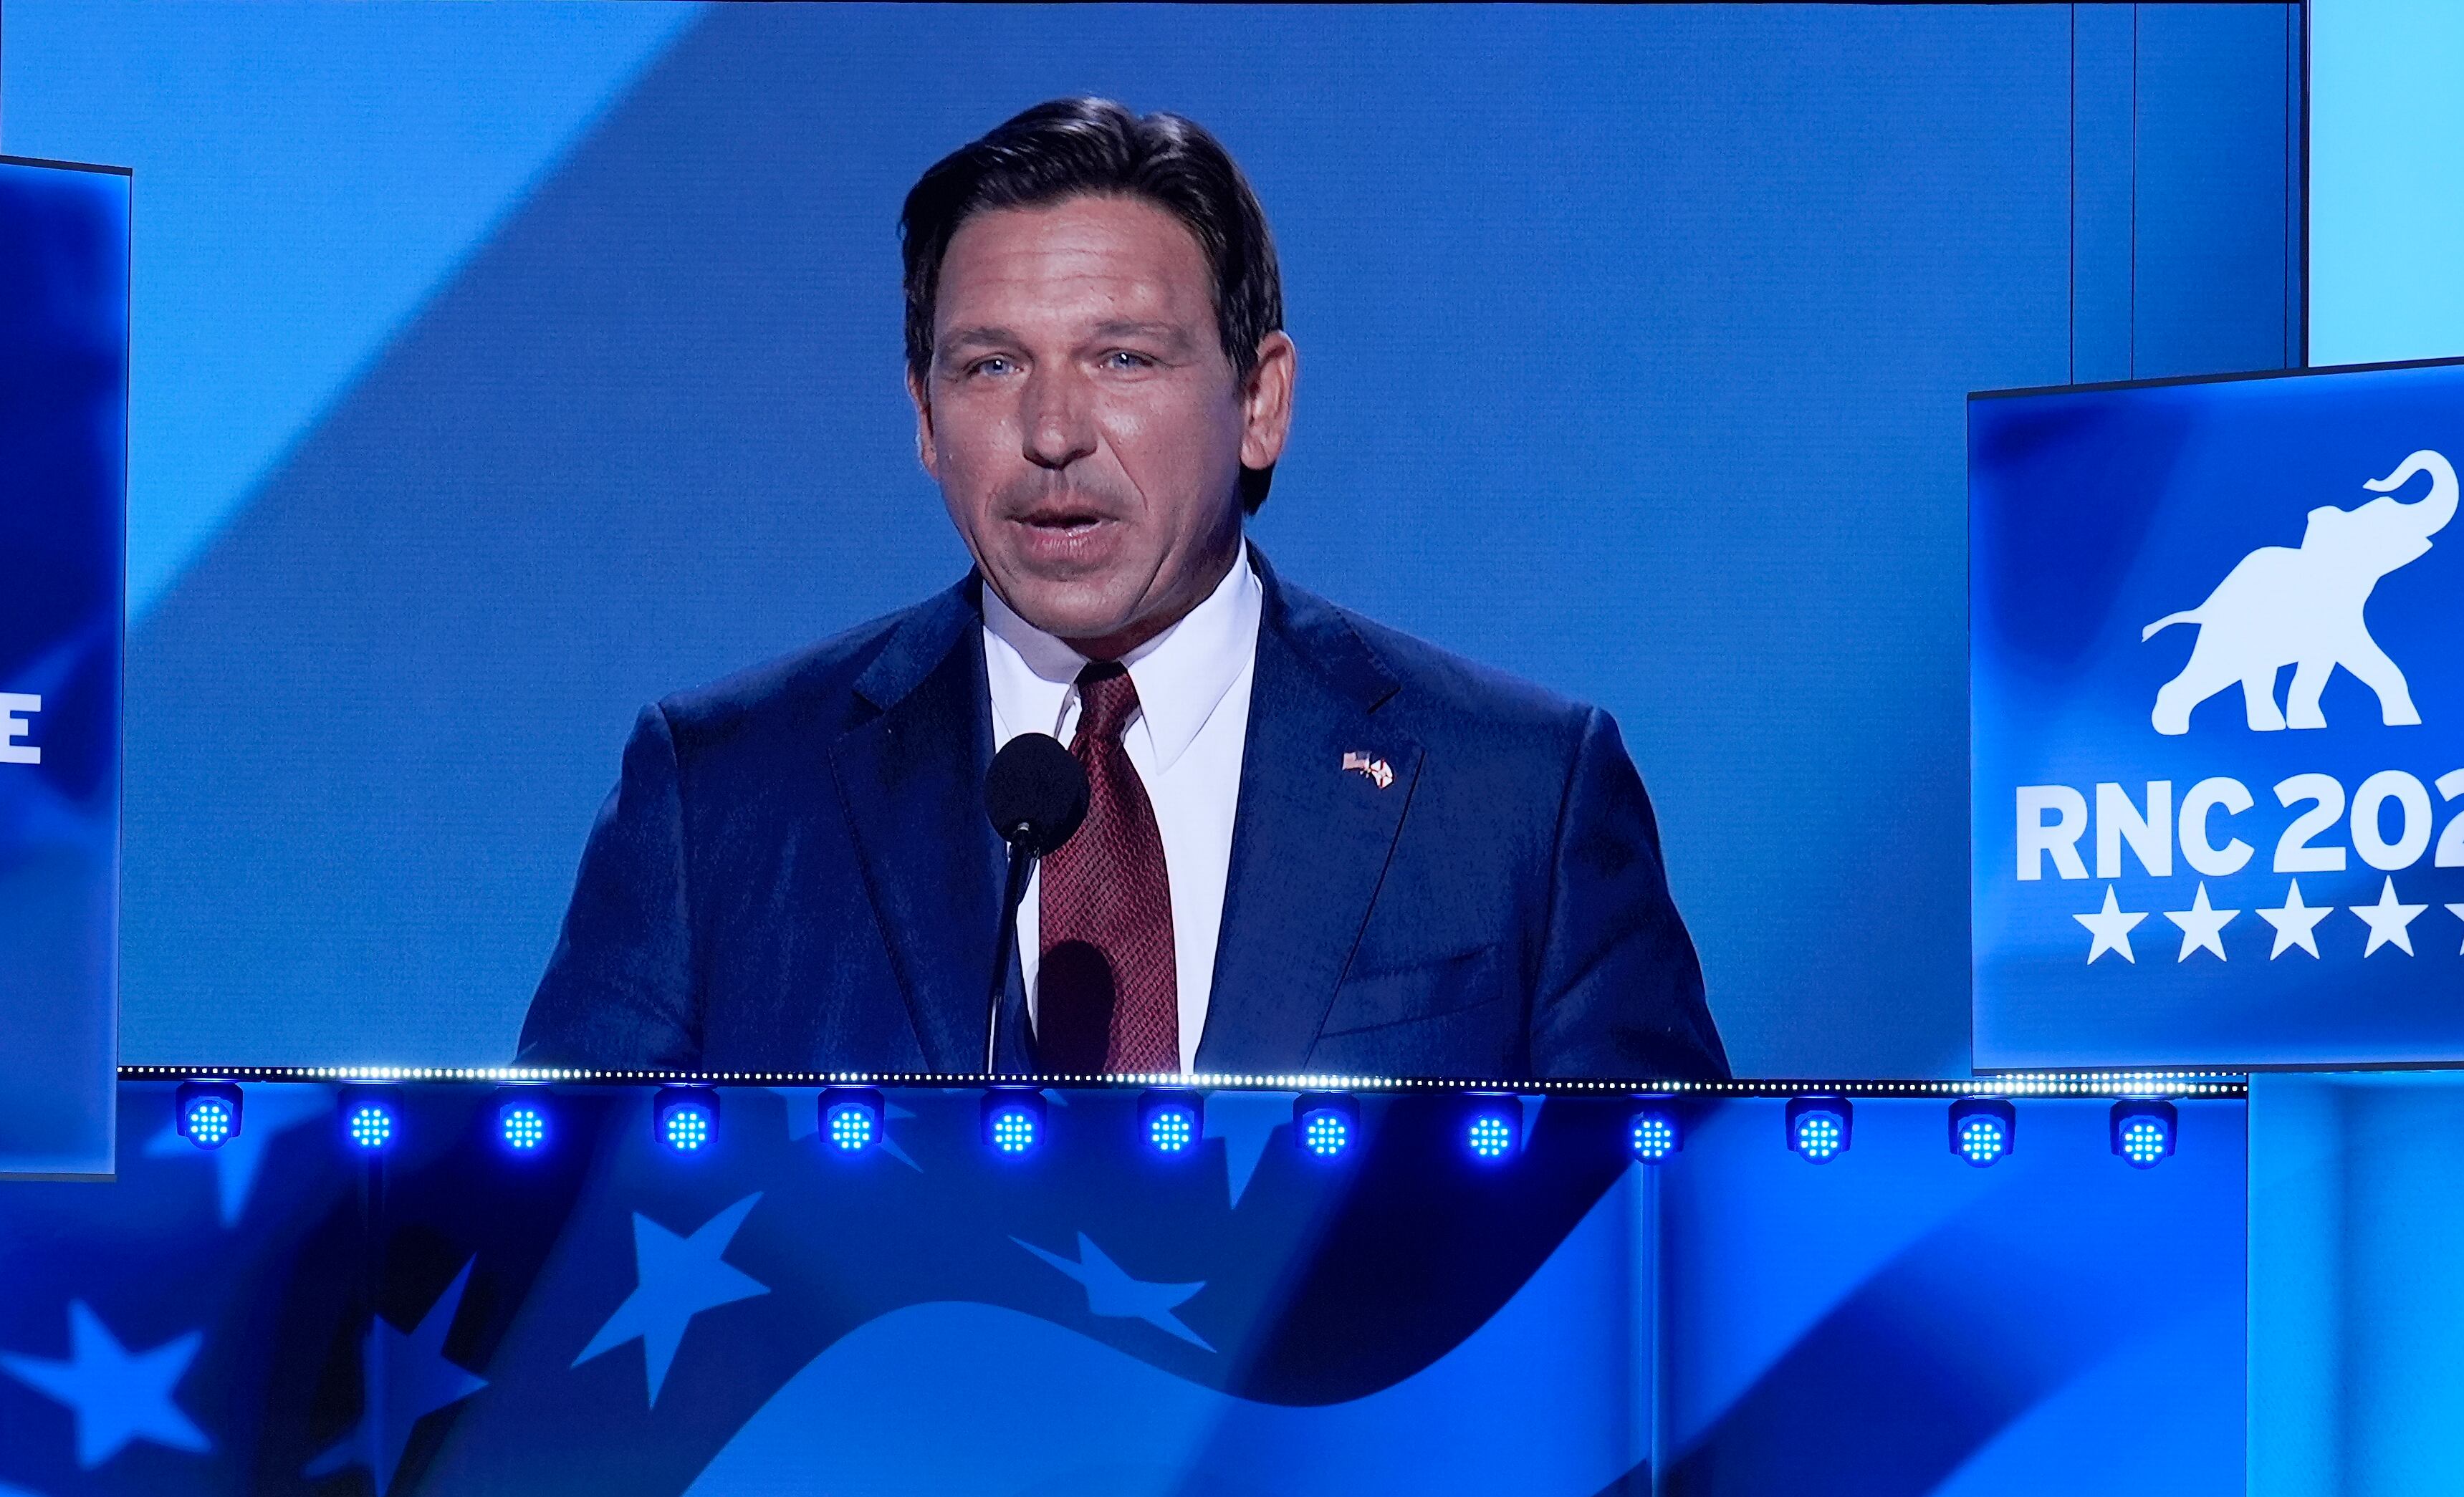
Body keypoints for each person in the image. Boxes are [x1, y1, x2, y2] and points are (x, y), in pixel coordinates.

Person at [519, 97, 1725, 1082]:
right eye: (992, 365)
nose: (1053, 431)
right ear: (924, 417)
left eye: (1123, 359)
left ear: (1260, 402)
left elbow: (1672, 1245)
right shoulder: (721, 798)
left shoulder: (1517, 799)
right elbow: (548, 1261)